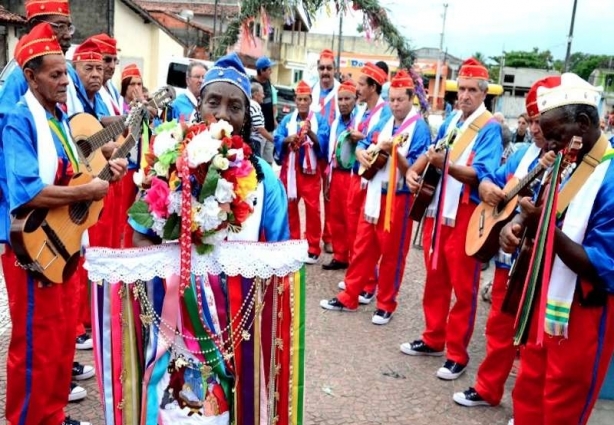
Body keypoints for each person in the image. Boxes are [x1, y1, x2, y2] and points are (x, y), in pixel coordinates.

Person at [0, 22, 127, 425]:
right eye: (55, 75)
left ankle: (52, 414)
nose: (63, 81)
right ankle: (27, 419)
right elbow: (28, 192)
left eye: (63, 73)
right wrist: (84, 193)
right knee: (34, 341)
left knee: (58, 338)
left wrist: (107, 173)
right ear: (30, 77)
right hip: (30, 246)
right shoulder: (19, 120)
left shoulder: (58, 118)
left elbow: (75, 173)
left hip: (64, 241)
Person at [499, 73, 614, 425]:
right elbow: (538, 210)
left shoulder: (608, 176)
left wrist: (540, 226)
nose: (549, 146)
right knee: (528, 392)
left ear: (583, 122)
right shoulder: (566, 163)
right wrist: (514, 227)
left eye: (555, 136)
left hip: (582, 312)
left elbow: (601, 266)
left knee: (562, 404)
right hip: (544, 302)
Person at [452, 76, 557, 408]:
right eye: (533, 121)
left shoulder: (565, 163)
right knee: (498, 325)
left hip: (538, 263)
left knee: (532, 340)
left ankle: (527, 408)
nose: (536, 129)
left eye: (543, 122)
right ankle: (487, 389)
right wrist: (485, 187)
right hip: (505, 258)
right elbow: (492, 181)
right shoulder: (524, 154)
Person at [402, 58, 503, 380]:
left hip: (465, 213)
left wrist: (445, 164)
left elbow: (482, 174)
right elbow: (432, 152)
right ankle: (433, 337)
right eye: (461, 89)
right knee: (435, 277)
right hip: (438, 209)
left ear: (484, 94)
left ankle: (457, 354)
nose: (465, 95)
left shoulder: (489, 127)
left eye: (472, 90)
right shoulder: (451, 121)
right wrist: (412, 175)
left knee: (464, 286)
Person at [321, 70, 431, 325]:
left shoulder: (419, 128)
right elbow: (364, 143)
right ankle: (349, 295)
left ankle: (386, 303)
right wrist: (361, 153)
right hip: (373, 194)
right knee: (362, 247)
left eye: (400, 100)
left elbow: (415, 169)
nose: (394, 105)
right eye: (391, 100)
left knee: (393, 253)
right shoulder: (385, 123)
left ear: (411, 99)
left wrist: (394, 153)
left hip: (398, 197)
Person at [335, 62, 391, 302]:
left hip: (374, 180)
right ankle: (357, 280)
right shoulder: (363, 110)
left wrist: (363, 141)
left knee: (366, 237)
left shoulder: (385, 112)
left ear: (373, 87)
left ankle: (367, 284)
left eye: (361, 84)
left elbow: (382, 141)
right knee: (355, 233)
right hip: (358, 176)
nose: (357, 88)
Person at [274, 81, 330, 263]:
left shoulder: (319, 120)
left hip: (310, 172)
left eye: (306, 99)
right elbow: (278, 137)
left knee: (313, 210)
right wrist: (286, 140)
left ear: (311, 100)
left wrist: (311, 134)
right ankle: (292, 244)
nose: (302, 102)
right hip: (290, 169)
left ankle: (313, 248)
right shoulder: (287, 119)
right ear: (295, 100)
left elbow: (324, 141)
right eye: (299, 99)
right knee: (289, 207)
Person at [322, 80, 359, 270]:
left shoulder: (360, 121)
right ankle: (340, 255)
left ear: (355, 100)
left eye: (347, 99)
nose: (343, 102)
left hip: (352, 176)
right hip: (336, 174)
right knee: (335, 217)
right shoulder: (335, 122)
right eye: (340, 99)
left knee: (351, 219)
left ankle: (354, 260)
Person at [311, 49, 341, 254]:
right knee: (313, 199)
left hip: (332, 153)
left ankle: (329, 237)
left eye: (329, 68)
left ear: (335, 70)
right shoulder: (311, 90)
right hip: (313, 153)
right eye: (322, 68)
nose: (325, 72)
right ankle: (312, 240)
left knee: (330, 198)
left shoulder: (342, 92)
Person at [253, 56, 277, 164]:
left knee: (269, 160)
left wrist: (274, 119)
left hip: (270, 128)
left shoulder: (268, 82)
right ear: (261, 71)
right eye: (268, 69)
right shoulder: (252, 84)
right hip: (259, 132)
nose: (271, 72)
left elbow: (271, 103)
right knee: (260, 161)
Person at [250, 81, 274, 159]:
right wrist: (275, 141)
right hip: (254, 142)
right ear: (256, 95)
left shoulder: (251, 105)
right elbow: (260, 129)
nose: (263, 96)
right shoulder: (254, 106)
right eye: (262, 93)